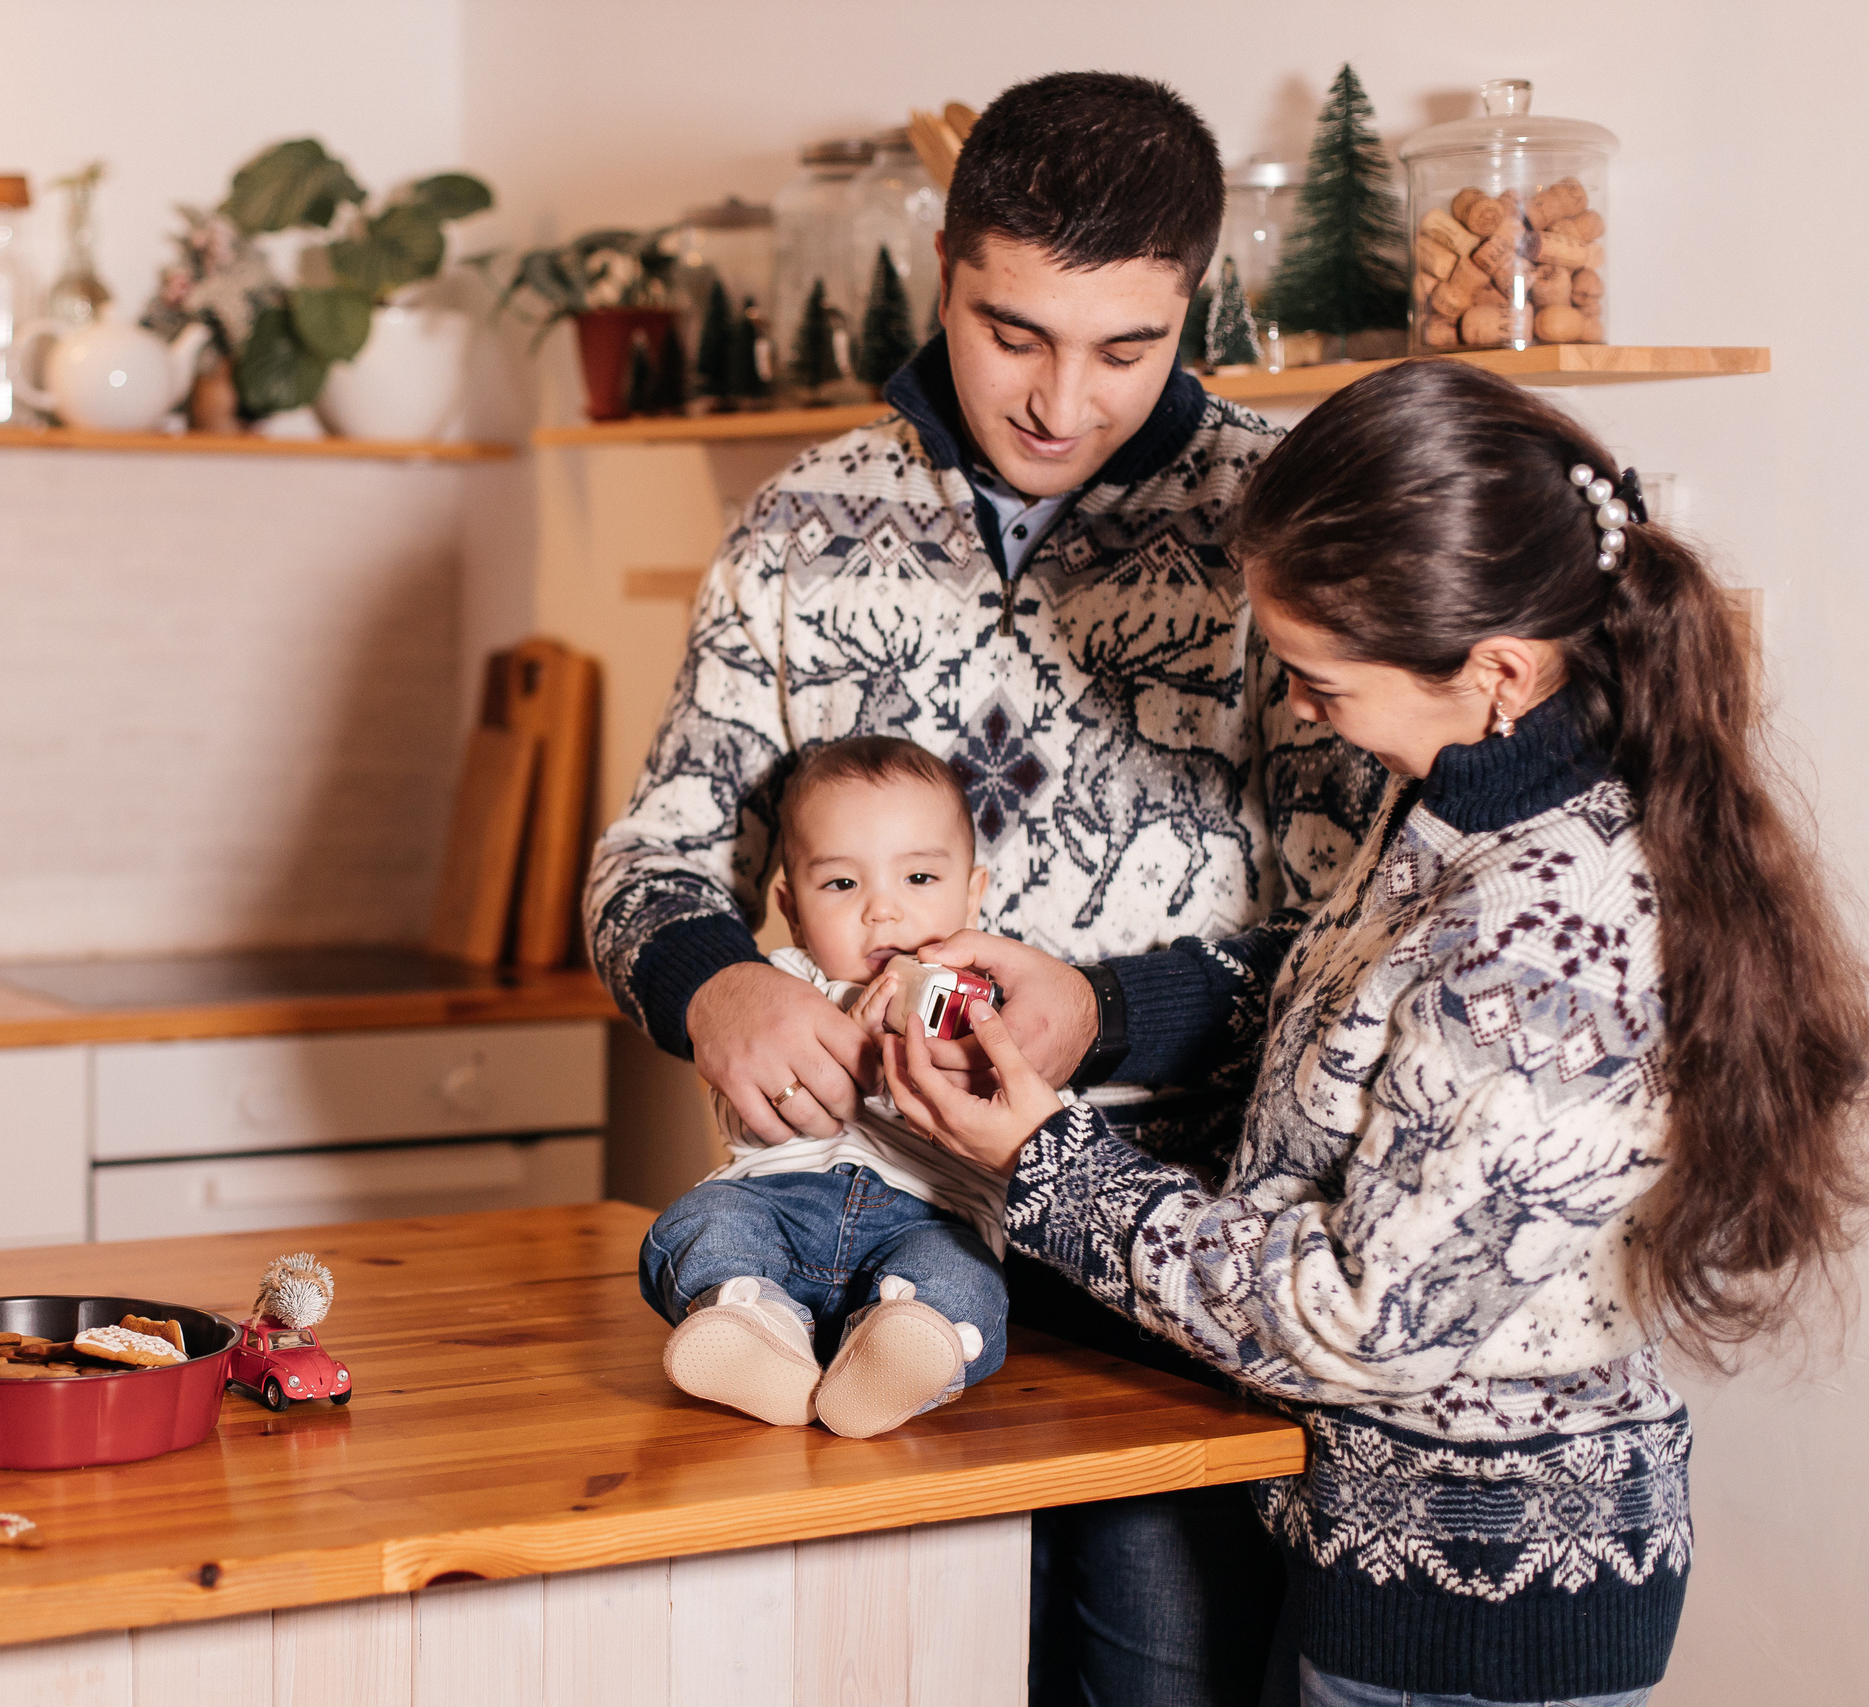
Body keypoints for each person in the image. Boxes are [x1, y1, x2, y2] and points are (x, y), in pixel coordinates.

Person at [883, 358, 1869, 1707]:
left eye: (1320, 680)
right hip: (1385, 1565)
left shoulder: (1550, 927)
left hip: (1474, 1623)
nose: (1300, 710)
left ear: (1496, 668)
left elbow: (1365, 1313)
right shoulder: (1479, 806)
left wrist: (1046, 1165)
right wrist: (1099, 1007)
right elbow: (1363, 998)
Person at [586, 71, 1384, 1703]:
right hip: (837, 1252)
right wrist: (711, 982)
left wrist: (1106, 1006)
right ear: (941, 264)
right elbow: (649, 860)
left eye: (1126, 347)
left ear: (1199, 302)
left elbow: (1359, 936)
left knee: (1155, 1673)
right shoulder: (801, 528)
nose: (1061, 401)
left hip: (1165, 1275)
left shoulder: (1284, 525)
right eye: (1011, 330)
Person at [639, 737, 1015, 1439]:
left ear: (973, 893)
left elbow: (1015, 1127)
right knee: (696, 1222)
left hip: (931, 1217)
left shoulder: (990, 1002)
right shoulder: (783, 984)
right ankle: (755, 1321)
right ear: (791, 905)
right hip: (779, 1199)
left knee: (966, 1283)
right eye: (842, 884)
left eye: (920, 880)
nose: (883, 911)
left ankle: (900, 1352)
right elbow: (740, 1111)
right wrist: (832, 1038)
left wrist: (931, 1053)